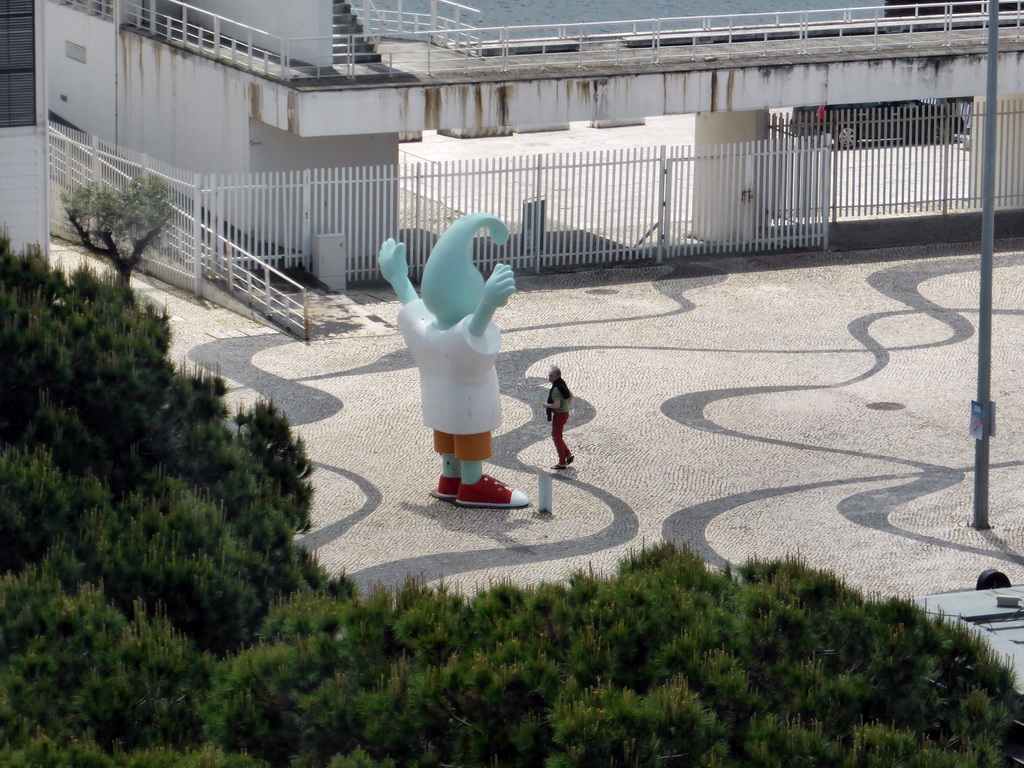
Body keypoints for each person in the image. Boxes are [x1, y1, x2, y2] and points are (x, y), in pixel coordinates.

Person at [378, 213, 529, 509]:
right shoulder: (460, 332)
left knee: (447, 433)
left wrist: (398, 277)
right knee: (470, 433)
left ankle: (450, 478)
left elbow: (413, 306)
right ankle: (472, 484)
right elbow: (472, 333)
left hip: (438, 401)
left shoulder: (425, 329)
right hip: (468, 401)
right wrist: (488, 303)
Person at [542, 366, 574, 470]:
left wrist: (546, 405)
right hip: (565, 413)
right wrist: (567, 406)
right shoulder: (562, 384)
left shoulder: (555, 389)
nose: (549, 377)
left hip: (559, 415)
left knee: (556, 438)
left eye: (551, 376)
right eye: (549, 375)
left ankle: (562, 462)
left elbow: (556, 405)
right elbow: (571, 395)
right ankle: (568, 455)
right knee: (557, 436)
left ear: (556, 376)